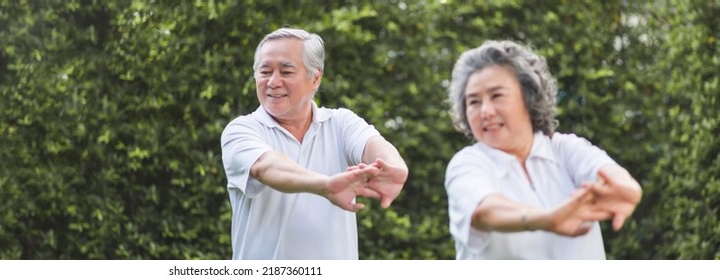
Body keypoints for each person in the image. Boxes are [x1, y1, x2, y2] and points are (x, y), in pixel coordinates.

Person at [220, 27, 409, 260]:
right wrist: (326, 186)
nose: (273, 82)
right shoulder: (241, 130)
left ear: (315, 78)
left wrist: (394, 167)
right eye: (264, 71)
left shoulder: (340, 123)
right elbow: (267, 167)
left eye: (286, 72)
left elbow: (373, 144)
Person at [444, 40, 643, 259]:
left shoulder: (566, 149)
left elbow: (610, 175)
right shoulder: (466, 164)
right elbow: (483, 211)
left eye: (497, 96)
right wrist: (547, 219)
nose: (486, 111)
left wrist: (627, 189)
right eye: (473, 102)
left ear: (529, 97)